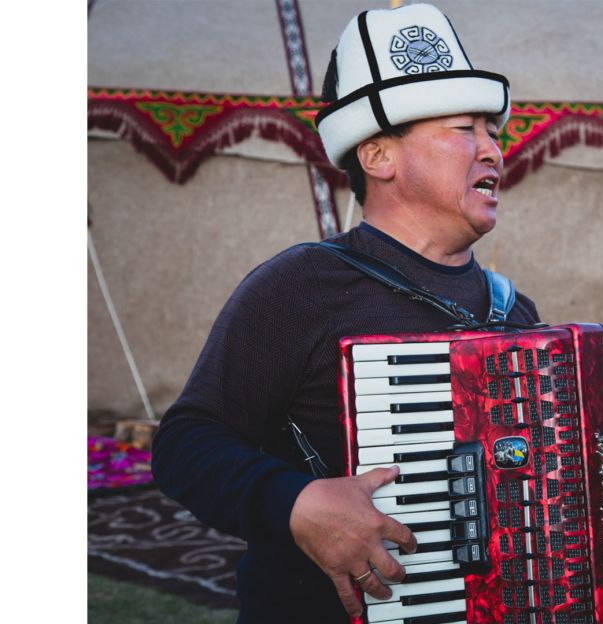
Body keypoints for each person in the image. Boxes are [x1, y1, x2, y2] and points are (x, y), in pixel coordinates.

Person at [151, 4, 541, 622]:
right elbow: (185, 445)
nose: (495, 150)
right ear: (379, 156)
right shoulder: (299, 286)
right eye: (467, 129)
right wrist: (297, 503)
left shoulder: (514, 311)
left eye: (494, 132)